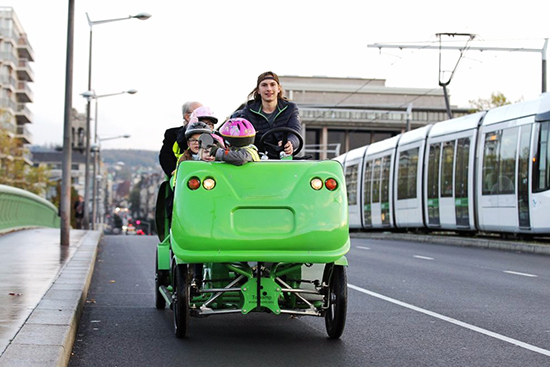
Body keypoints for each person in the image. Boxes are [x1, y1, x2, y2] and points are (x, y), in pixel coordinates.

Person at [235, 71, 301, 159]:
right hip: (257, 161)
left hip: (284, 160)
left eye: (272, 84)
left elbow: (295, 132)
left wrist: (290, 142)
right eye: (264, 85)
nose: (269, 89)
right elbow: (243, 137)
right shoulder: (248, 111)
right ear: (258, 90)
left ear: (278, 89)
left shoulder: (290, 108)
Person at [159, 101, 202, 177]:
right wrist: (174, 172)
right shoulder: (172, 134)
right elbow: (165, 156)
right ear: (187, 117)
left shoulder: (212, 135)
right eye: (200, 112)